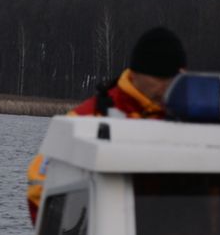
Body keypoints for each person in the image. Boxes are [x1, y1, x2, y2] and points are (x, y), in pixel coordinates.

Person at [26, 26, 187, 224]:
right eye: (159, 77)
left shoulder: (193, 122)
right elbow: (39, 188)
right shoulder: (85, 118)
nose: (165, 86)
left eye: (172, 78)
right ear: (135, 74)